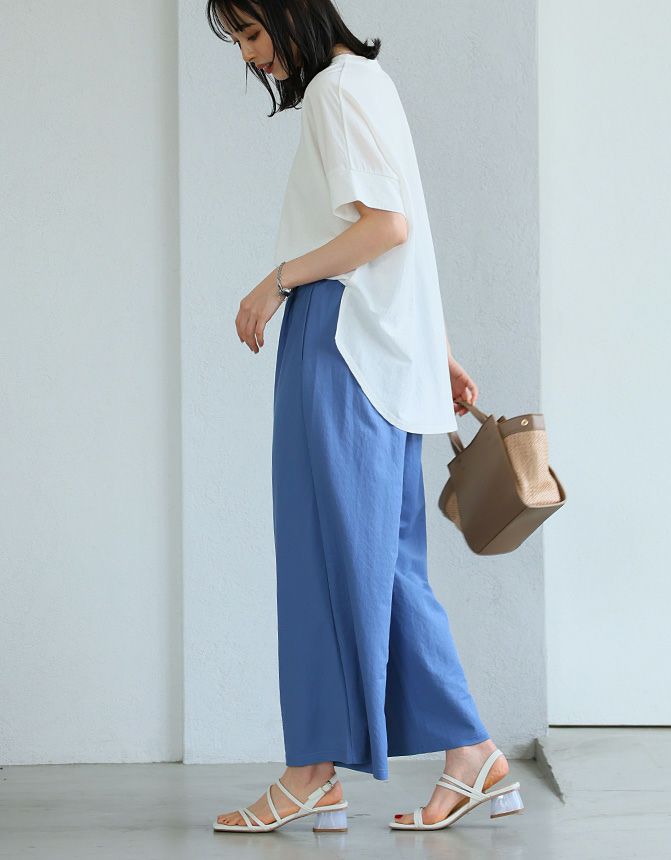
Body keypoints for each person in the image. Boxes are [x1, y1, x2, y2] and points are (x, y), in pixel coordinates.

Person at [207, 0, 524, 834]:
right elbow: (406, 232)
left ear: (289, 12)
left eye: (251, 33)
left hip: (338, 343)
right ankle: (468, 754)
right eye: (237, 40)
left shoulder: (336, 92)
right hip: (384, 350)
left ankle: (315, 771)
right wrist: (435, 347)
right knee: (384, 566)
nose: (248, 56)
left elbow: (388, 226)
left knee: (325, 559)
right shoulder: (369, 83)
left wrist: (276, 281)